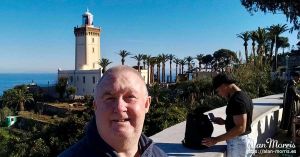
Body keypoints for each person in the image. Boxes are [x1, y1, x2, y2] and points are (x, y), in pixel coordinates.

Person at [59, 65, 167, 157]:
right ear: (95, 106)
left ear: (146, 104)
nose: (120, 108)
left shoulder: (159, 155)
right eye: (109, 98)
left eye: (130, 97)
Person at [202, 73, 256, 157]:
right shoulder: (243, 95)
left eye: (218, 91)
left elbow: (241, 128)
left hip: (238, 144)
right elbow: (241, 121)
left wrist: (215, 140)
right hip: (244, 141)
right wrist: (225, 122)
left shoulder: (237, 100)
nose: (220, 94)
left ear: (223, 85)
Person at [280, 71, 300, 136]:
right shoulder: (291, 83)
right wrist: (298, 96)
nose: (299, 79)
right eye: (299, 77)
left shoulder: (291, 83)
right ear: (295, 77)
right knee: (290, 119)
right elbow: (294, 93)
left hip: (289, 104)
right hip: (289, 104)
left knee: (290, 119)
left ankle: (290, 132)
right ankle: (290, 133)